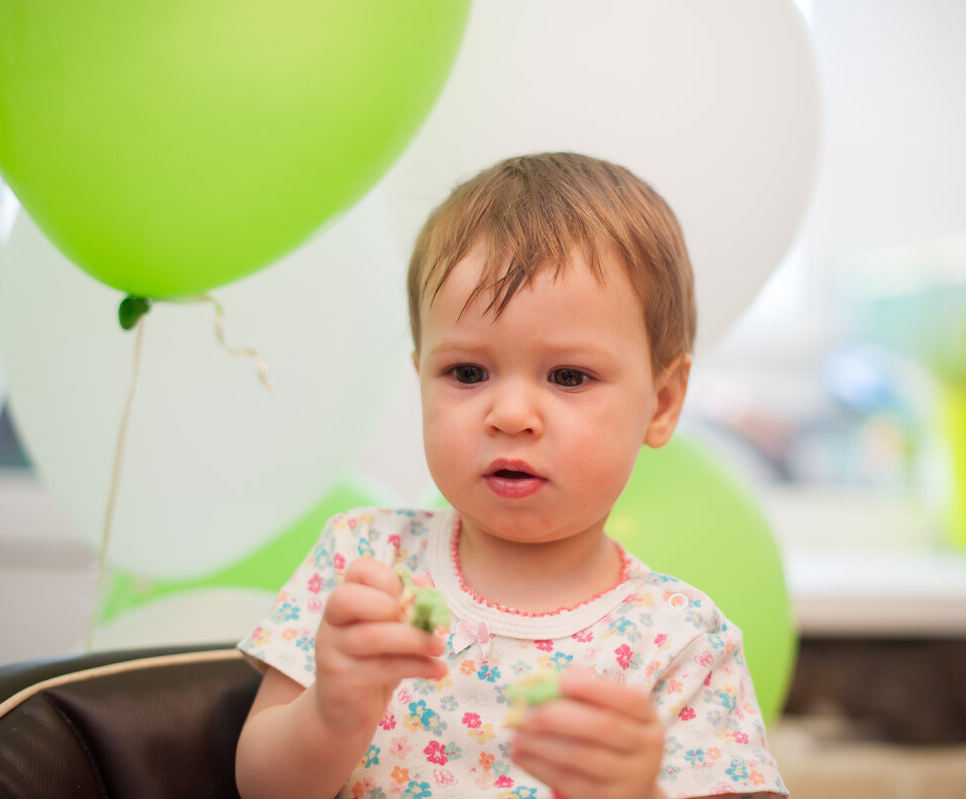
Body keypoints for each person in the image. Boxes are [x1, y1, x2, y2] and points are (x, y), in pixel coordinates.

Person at [236, 153, 788, 799]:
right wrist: (331, 710)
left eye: (568, 376)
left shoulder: (681, 639)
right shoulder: (366, 563)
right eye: (467, 373)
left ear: (661, 403)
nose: (511, 414)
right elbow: (259, 787)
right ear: (421, 378)